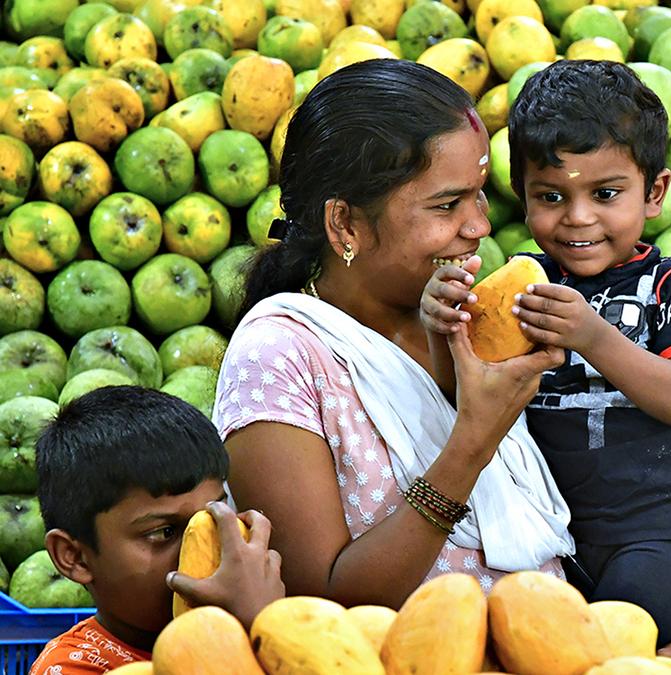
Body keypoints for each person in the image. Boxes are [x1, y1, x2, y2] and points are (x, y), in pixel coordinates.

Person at [213, 58, 574, 610]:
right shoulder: (278, 356)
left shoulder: (464, 316)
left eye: (478, 194)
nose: (479, 225)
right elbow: (321, 605)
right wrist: (473, 442)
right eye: (446, 205)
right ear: (345, 225)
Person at [422, 60, 671, 653]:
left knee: (600, 645)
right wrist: (442, 322)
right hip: (560, 541)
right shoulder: (521, 288)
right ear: (523, 196)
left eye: (606, 194)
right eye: (552, 196)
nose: (579, 217)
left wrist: (595, 337)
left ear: (656, 193)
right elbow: (465, 393)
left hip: (665, 535)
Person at [30, 386, 284, 674]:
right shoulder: (70, 667)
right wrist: (256, 624)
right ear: (75, 556)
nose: (201, 540)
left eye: (215, 517)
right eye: (165, 532)